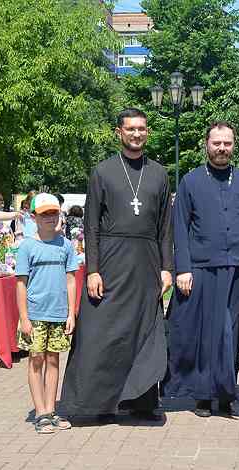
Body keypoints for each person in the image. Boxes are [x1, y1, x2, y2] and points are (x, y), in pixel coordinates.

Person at [60, 108, 173, 422]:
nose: (136, 134)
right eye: (130, 129)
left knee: (143, 332)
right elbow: (91, 225)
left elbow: (166, 225)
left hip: (147, 262)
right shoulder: (103, 171)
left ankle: (142, 402)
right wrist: (93, 269)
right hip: (110, 259)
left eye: (141, 129)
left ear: (146, 132)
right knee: (102, 332)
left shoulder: (159, 174)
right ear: (118, 133)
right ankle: (91, 405)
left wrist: (167, 267)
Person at [164, 122, 239, 418]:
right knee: (205, 335)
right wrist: (183, 269)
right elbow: (179, 227)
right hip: (202, 270)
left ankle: (228, 396)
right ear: (206, 144)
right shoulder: (191, 181)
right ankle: (203, 396)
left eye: (227, 143)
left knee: (232, 334)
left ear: (234, 145)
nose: (221, 148)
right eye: (216, 143)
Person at [16, 193, 79, 433]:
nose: (50, 218)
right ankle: (40, 412)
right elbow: (20, 283)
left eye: (54, 213)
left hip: (59, 314)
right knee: (36, 360)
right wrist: (24, 317)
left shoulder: (65, 246)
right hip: (35, 314)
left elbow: (71, 280)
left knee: (53, 360)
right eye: (44, 215)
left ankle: (51, 410)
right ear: (34, 217)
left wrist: (71, 313)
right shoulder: (27, 247)